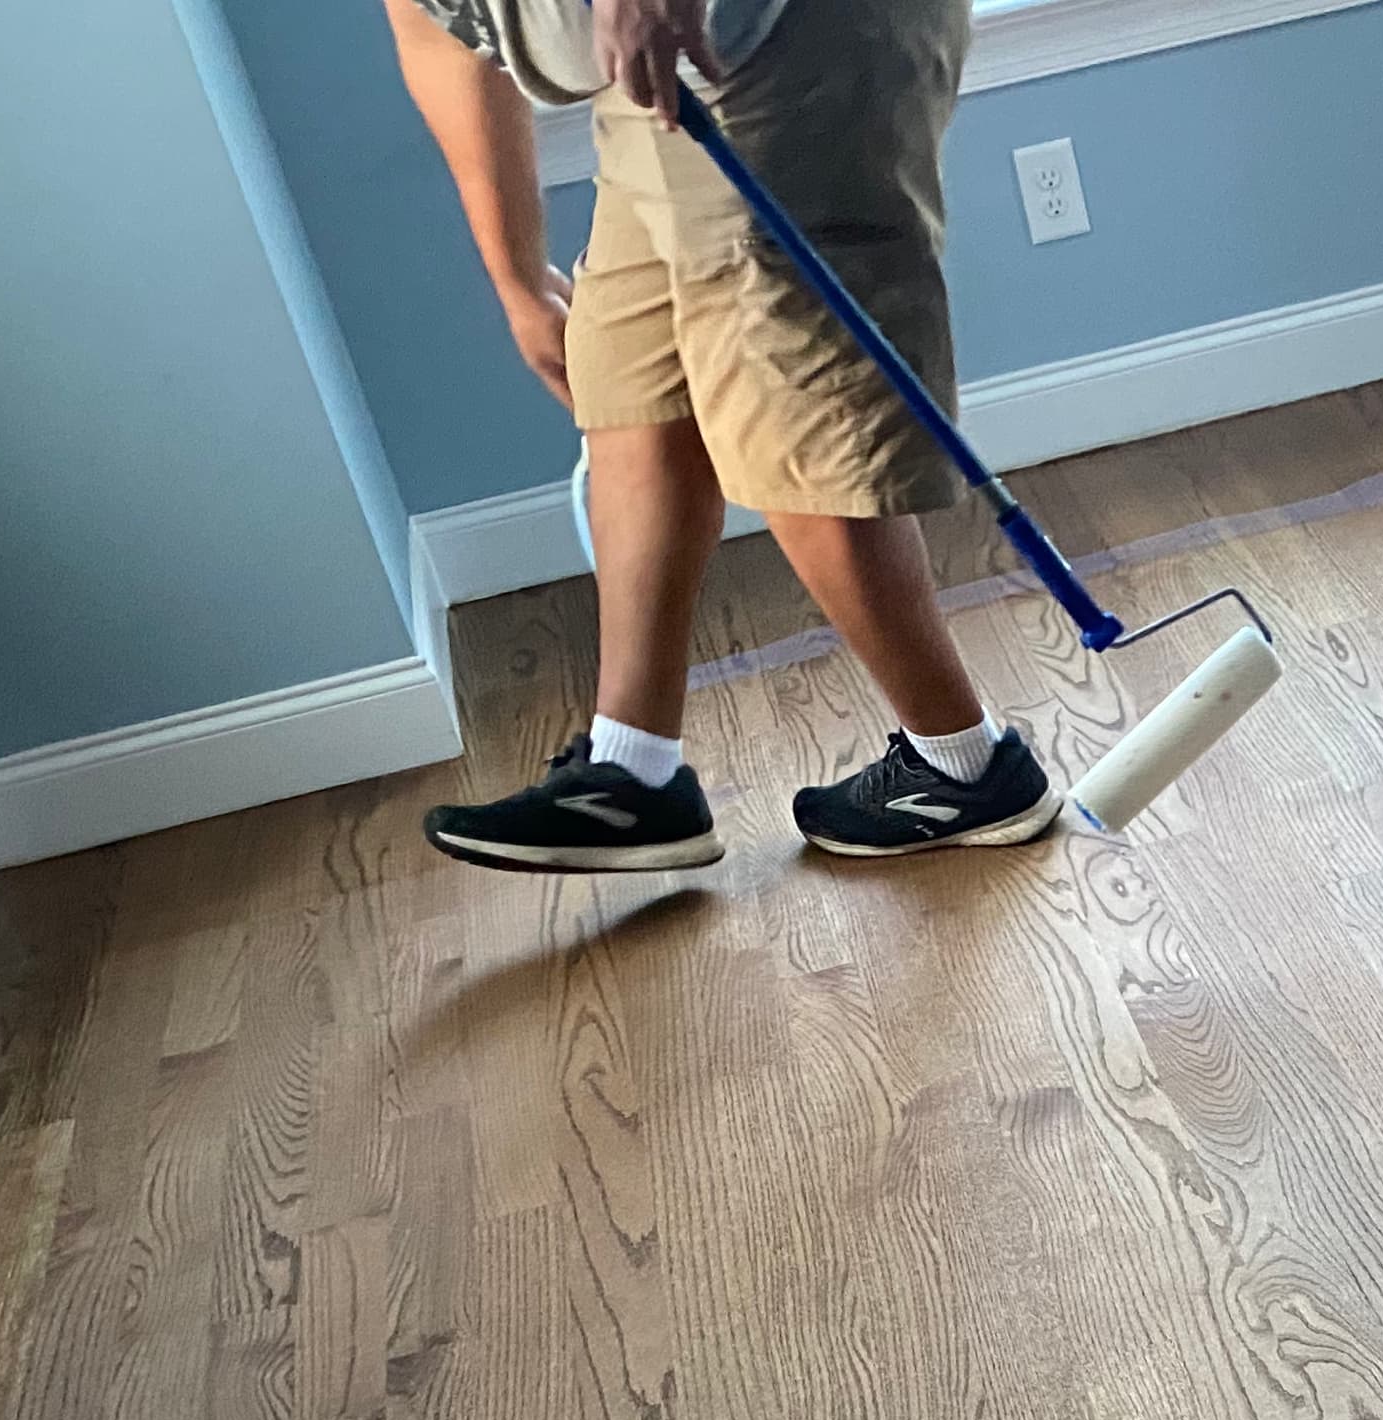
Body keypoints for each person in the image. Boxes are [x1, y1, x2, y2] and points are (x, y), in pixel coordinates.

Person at [386, 0, 1060, 869]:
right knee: (630, 368)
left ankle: (965, 766)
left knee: (792, 396)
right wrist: (515, 276)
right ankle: (633, 774)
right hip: (656, 52)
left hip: (781, 33)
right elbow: (438, 26)